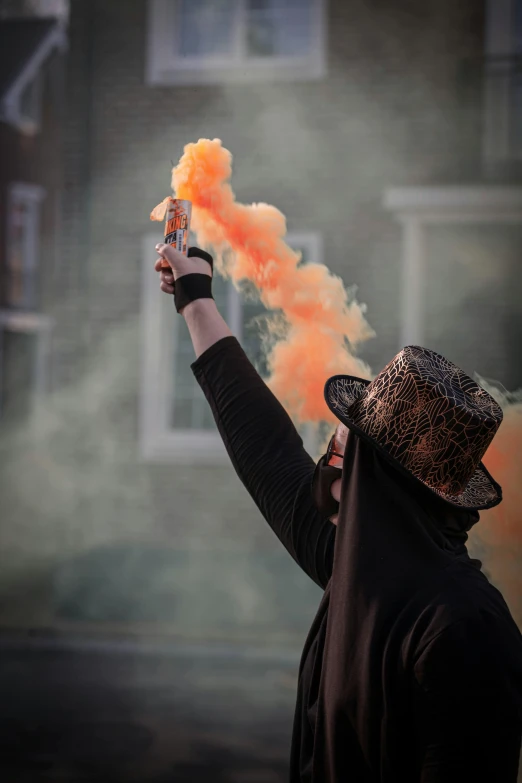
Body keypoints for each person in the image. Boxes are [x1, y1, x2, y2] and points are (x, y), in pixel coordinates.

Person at [154, 243, 522, 783]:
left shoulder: (465, 628)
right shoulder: (357, 567)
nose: (324, 466)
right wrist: (196, 299)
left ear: (375, 481)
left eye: (338, 451)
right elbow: (265, 447)